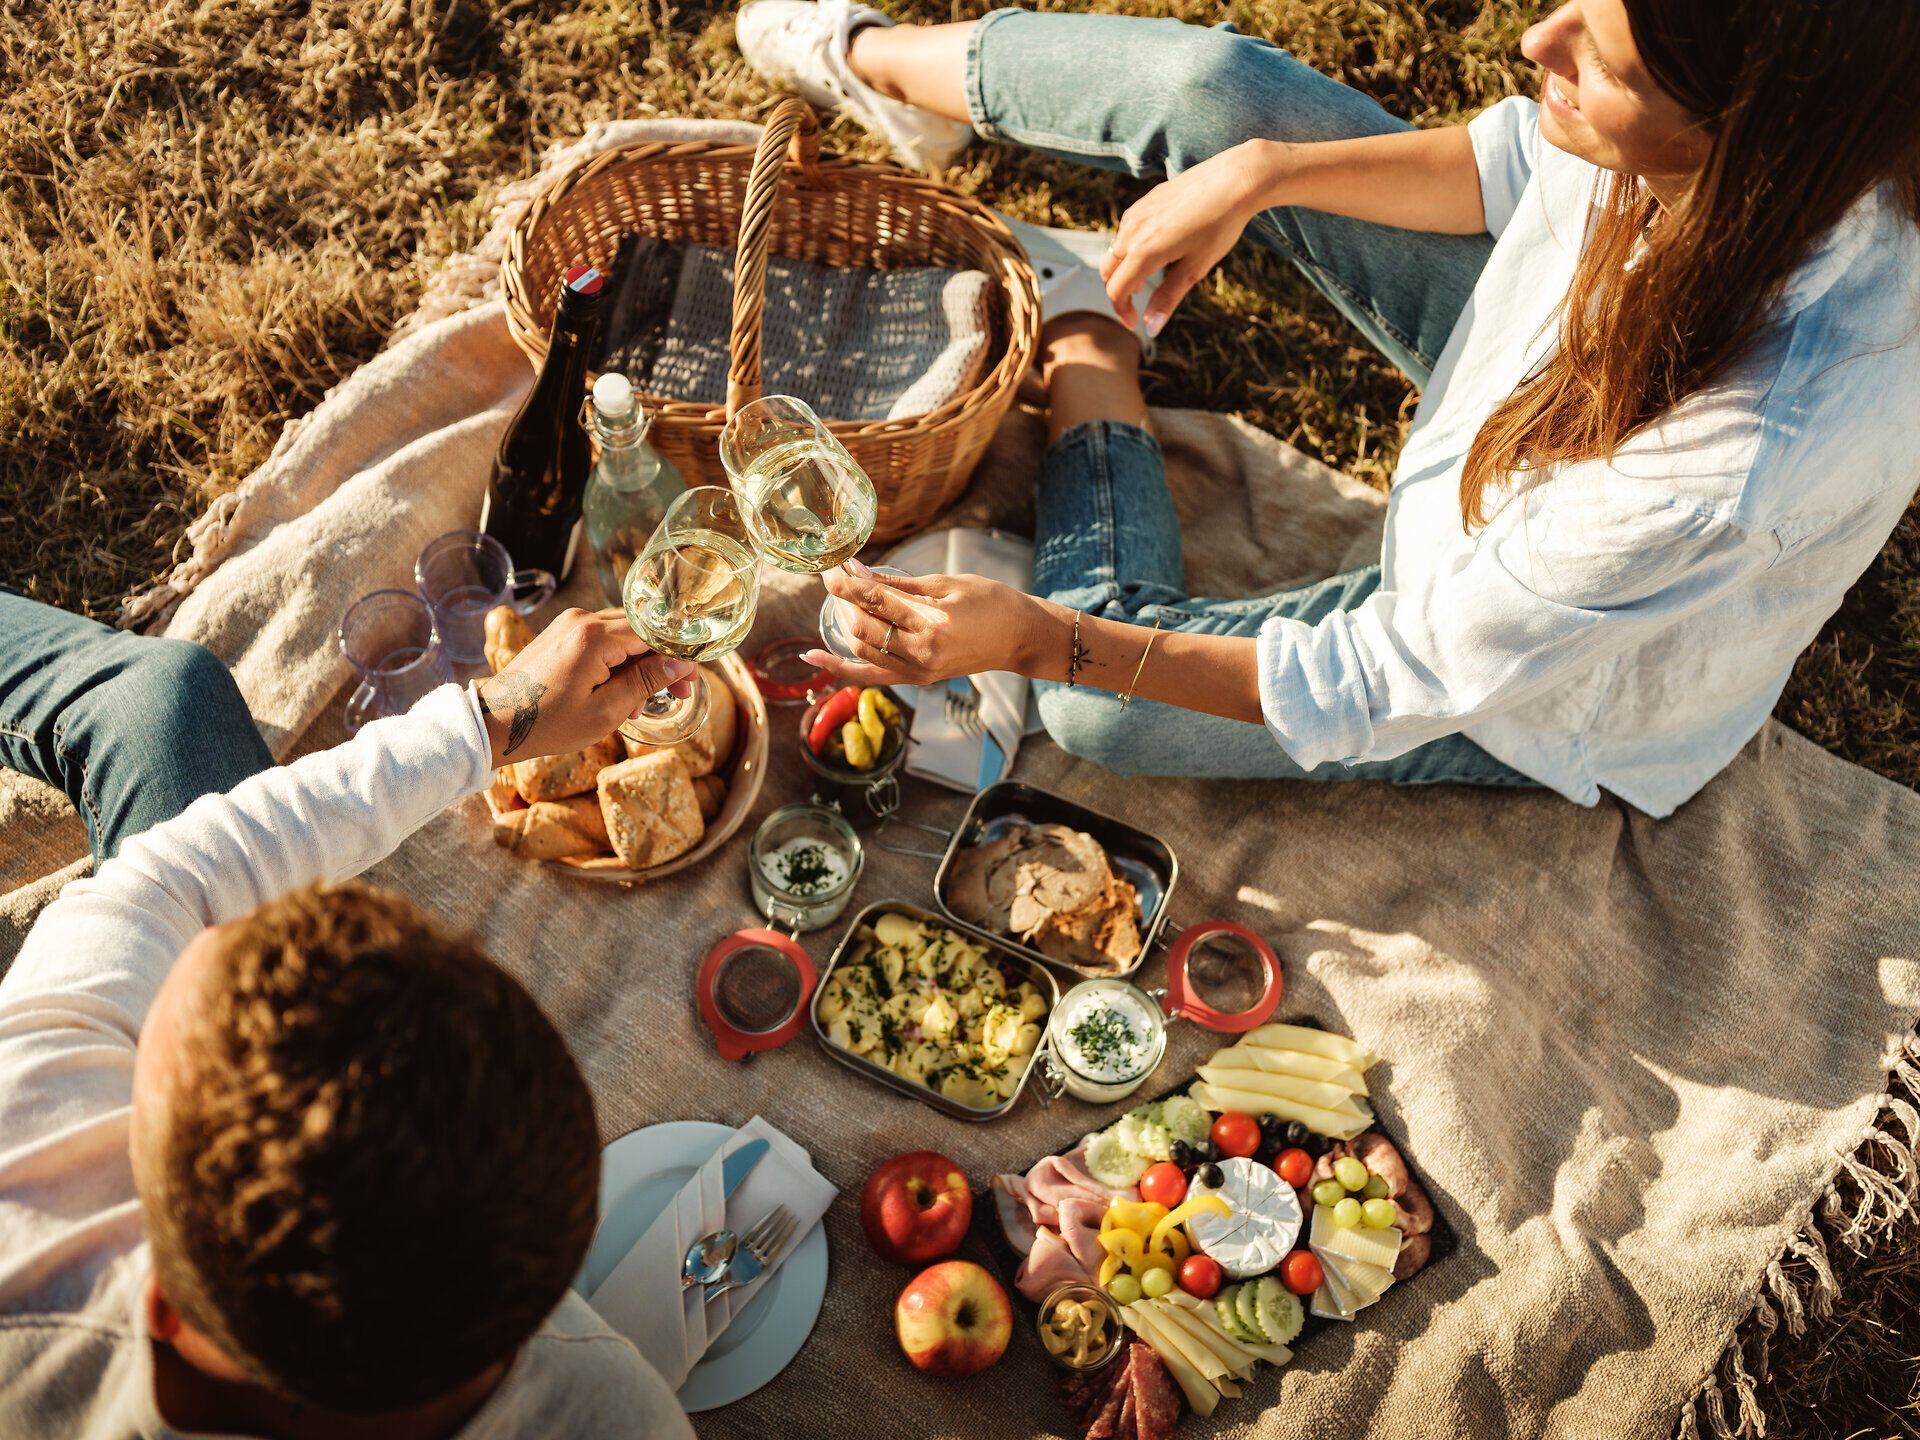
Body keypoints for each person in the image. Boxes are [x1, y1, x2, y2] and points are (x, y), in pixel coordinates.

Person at [740, 0, 1920, 816]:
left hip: (1527, 682)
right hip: (1543, 386)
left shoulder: (1728, 468)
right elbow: (1513, 169)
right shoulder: (1777, 136)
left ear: (1747, 138)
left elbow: (1376, 677)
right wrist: (1266, 170)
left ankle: (1085, 335)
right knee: (1223, 94)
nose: (1532, 38)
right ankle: (881, 62)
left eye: (1600, 64)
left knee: (1094, 710)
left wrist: (1042, 635)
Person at [0, 589, 698, 1440]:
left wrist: (489, 718)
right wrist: (487, 720)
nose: (204, 924)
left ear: (164, 1306)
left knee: (164, 696)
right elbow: (180, 881)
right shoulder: (614, 1413)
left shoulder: (23, 1168)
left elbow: (166, 879)